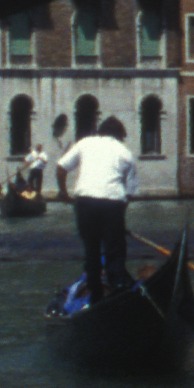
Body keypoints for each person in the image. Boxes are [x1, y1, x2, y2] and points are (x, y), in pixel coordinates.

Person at [56, 112, 139, 298]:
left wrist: (63, 193)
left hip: (85, 202)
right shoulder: (126, 153)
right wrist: (118, 219)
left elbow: (61, 168)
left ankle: (95, 295)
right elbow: (129, 194)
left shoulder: (85, 143)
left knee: (91, 249)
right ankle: (118, 289)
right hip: (113, 204)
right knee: (115, 251)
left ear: (100, 132)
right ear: (120, 135)